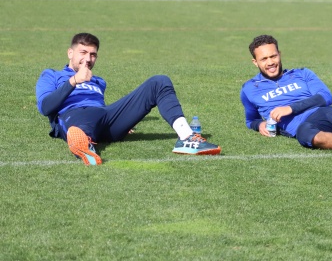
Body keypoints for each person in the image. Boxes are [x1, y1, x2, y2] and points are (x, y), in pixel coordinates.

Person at [36, 33, 221, 166]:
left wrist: (124, 120)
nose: (88, 59)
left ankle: (187, 138)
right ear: (70, 53)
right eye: (83, 52)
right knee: (81, 122)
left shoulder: (98, 81)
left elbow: (99, 109)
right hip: (72, 115)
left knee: (159, 82)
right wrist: (74, 81)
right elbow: (45, 107)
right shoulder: (52, 75)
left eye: (93, 54)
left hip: (104, 117)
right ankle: (83, 144)